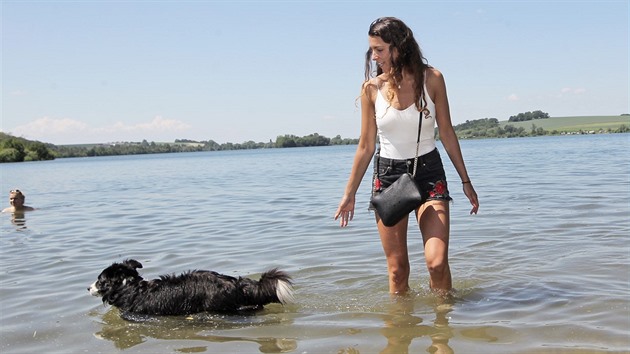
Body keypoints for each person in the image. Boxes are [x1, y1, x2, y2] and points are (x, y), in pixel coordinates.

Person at [334, 17, 479, 295]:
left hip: (428, 172)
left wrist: (465, 180)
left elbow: (447, 132)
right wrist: (349, 193)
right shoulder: (371, 89)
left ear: (398, 48)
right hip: (388, 178)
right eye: (372, 50)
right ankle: (400, 335)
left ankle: (441, 331)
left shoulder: (432, 79)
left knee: (436, 263)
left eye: (380, 50)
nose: (374, 56)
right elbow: (365, 146)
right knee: (397, 271)